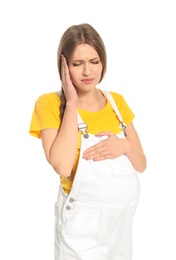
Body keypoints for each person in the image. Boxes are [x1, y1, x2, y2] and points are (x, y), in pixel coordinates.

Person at [29, 23, 147, 260]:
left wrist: (123, 146)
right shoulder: (50, 103)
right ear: (63, 66)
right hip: (80, 226)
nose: (87, 72)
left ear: (103, 62)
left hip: (122, 224)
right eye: (77, 64)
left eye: (94, 61)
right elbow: (61, 166)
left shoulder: (116, 102)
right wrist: (71, 103)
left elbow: (141, 164)